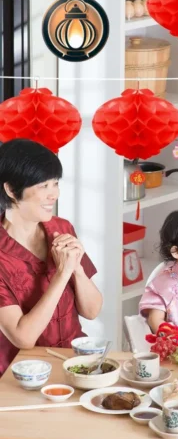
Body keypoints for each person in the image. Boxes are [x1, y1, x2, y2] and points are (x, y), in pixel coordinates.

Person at [0, 140, 103, 378]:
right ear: (11, 190)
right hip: (22, 374)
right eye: (43, 185)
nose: (53, 194)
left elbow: (92, 310)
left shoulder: (61, 228)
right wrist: (62, 273)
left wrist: (76, 268)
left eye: (55, 183)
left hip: (74, 363)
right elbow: (23, 337)